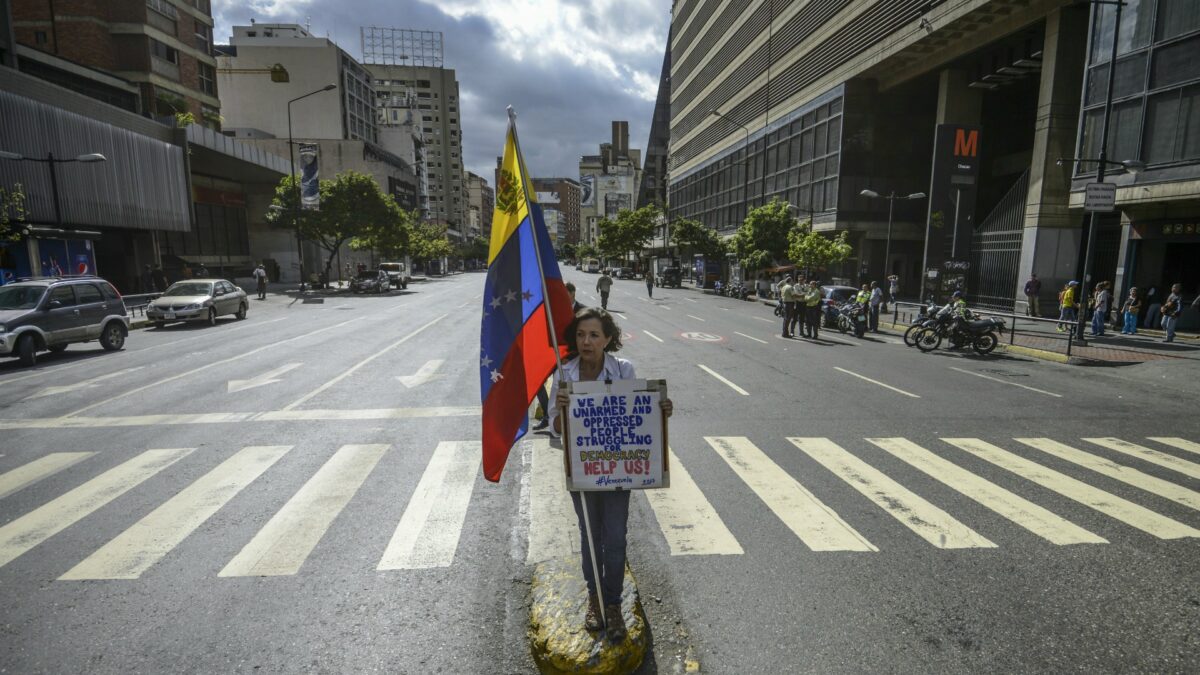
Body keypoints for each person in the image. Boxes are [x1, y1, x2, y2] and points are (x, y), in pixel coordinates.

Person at [550, 308, 672, 641]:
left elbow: (640, 413)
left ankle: (614, 604)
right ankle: (595, 598)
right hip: (584, 473)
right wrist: (562, 408)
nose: (586, 341)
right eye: (580, 335)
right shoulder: (564, 375)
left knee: (615, 539)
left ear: (607, 339)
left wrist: (661, 408)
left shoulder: (624, 369)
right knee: (591, 539)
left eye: (593, 335)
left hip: (618, 472)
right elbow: (557, 429)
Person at [534, 282, 585, 431]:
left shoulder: (582, 311)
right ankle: (546, 416)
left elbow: (581, 338)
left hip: (571, 358)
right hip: (553, 356)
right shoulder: (553, 310)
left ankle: (571, 419)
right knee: (538, 383)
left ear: (573, 293)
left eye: (565, 293)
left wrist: (570, 357)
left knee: (568, 388)